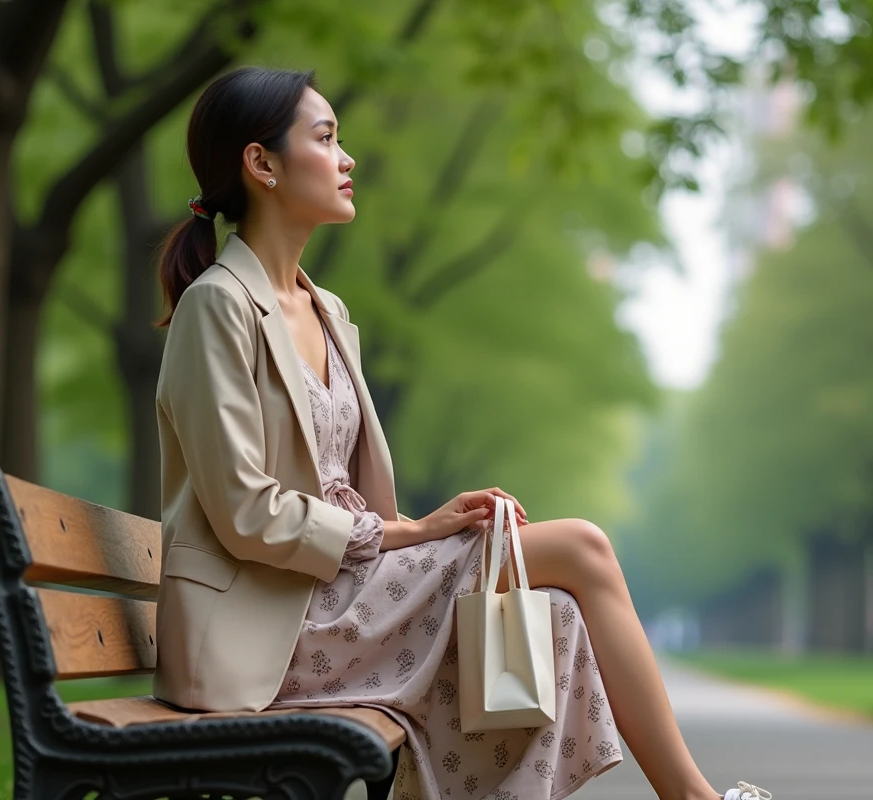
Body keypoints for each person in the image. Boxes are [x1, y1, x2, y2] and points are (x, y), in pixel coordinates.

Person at [151, 66, 772, 800]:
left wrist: (412, 534)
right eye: (325, 139)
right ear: (261, 164)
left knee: (559, 617)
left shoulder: (329, 313)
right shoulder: (218, 307)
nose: (347, 159)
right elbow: (245, 510)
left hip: (341, 592)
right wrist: (413, 534)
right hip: (277, 624)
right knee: (581, 547)